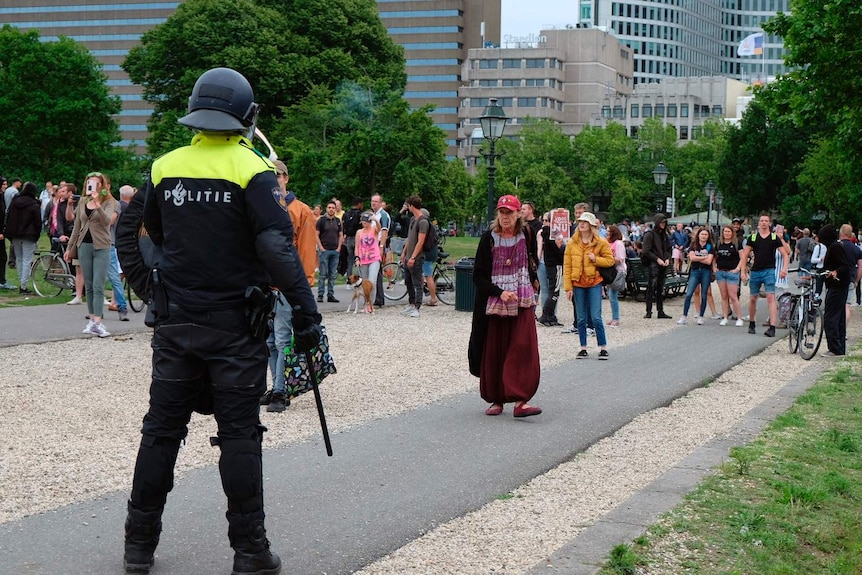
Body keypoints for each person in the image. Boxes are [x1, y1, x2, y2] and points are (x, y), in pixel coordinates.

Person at [123, 67, 321, 575]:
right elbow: (276, 248)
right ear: (246, 116)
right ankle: (250, 551)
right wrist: (307, 311)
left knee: (161, 432)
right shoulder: (252, 169)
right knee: (239, 436)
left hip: (176, 324)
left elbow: (141, 230)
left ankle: (138, 546)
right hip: (236, 326)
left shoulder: (165, 166)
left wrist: (148, 287)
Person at [468, 194, 541, 417]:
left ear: (519, 213)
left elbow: (531, 263)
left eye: (509, 212)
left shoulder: (526, 235)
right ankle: (497, 399)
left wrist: (532, 281)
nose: (505, 217)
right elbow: (478, 276)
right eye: (501, 212)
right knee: (495, 350)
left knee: (523, 347)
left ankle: (520, 401)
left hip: (522, 299)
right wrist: (500, 292)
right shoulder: (487, 238)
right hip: (495, 303)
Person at [260, 159, 319, 414]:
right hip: (265, 283)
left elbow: (305, 250)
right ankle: (276, 385)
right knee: (269, 340)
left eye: (278, 175)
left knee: (283, 337)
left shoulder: (301, 210)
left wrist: (302, 287)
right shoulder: (261, 207)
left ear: (286, 178)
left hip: (287, 283)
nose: (275, 180)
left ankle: (281, 390)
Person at [64, 172, 117, 337]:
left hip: (101, 246)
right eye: (89, 181)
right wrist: (69, 248)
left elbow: (107, 221)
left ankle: (98, 322)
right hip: (84, 246)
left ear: (102, 185)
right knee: (89, 284)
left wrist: (97, 203)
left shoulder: (109, 202)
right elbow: (77, 225)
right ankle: (92, 320)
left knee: (98, 284)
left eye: (95, 182)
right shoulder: (83, 201)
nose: (91, 184)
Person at [564, 211, 613, 359]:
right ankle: (583, 347)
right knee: (581, 318)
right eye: (580, 221)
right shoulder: (572, 242)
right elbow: (567, 266)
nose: (581, 224)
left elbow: (610, 260)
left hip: (594, 282)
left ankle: (603, 347)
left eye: (585, 222)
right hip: (577, 283)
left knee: (596, 317)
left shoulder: (601, 241)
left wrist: (596, 259)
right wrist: (568, 287)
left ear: (591, 225)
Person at [739, 213, 789, 337]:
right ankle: (752, 322)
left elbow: (785, 254)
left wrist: (784, 269)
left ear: (769, 223)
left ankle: (772, 327)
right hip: (756, 271)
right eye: (762, 221)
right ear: (759, 223)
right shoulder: (753, 237)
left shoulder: (773, 238)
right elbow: (745, 255)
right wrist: (743, 272)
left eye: (766, 221)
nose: (764, 223)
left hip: (769, 270)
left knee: (770, 297)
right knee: (752, 298)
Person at [4, 181, 42, 295]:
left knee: (19, 259)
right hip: (28, 235)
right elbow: (37, 222)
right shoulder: (34, 205)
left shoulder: (15, 201)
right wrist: (36, 235)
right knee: (27, 260)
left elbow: (9, 216)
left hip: (15, 234)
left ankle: (22, 282)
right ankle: (23, 285)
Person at [819, 224, 850, 357]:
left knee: (830, 317)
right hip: (839, 286)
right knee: (839, 317)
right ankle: (840, 348)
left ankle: (834, 348)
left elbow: (844, 266)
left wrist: (835, 272)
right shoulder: (835, 246)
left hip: (837, 286)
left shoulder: (835, 247)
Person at [676, 227, 715, 325]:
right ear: (698, 235)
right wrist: (704, 257)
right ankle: (684, 316)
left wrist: (698, 258)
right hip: (695, 271)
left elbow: (709, 261)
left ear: (708, 236)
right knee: (689, 294)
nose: (704, 236)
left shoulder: (710, 246)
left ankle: (700, 316)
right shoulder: (693, 245)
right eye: (702, 234)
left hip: (706, 272)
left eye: (706, 234)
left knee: (704, 294)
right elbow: (692, 258)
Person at [400, 195, 429, 318]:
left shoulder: (423, 222)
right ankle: (411, 304)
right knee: (408, 281)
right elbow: (410, 238)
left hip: (416, 258)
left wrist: (413, 257)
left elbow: (420, 241)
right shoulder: (413, 220)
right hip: (408, 256)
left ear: (411, 206)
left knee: (417, 283)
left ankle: (417, 307)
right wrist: (404, 252)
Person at [640, 213, 673, 319]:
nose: (663, 224)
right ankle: (649, 311)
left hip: (662, 263)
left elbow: (668, 249)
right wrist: (657, 259)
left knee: (660, 288)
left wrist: (667, 258)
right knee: (651, 287)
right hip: (654, 264)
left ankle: (660, 311)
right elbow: (646, 251)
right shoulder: (650, 234)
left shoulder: (664, 235)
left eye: (664, 222)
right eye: (662, 222)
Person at [537, 212, 565, 327]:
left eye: (546, 220)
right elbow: (559, 249)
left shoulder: (544, 232)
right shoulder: (553, 233)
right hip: (555, 264)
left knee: (551, 290)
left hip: (548, 263)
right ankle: (546, 315)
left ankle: (550, 315)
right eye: (544, 220)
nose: (544, 223)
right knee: (554, 291)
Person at [714, 225, 744, 326]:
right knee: (724, 296)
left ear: (732, 233)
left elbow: (742, 257)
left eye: (729, 231)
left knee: (733, 296)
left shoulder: (736, 244)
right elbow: (714, 256)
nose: (727, 233)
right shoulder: (719, 244)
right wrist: (714, 267)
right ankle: (725, 317)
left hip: (732, 272)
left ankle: (739, 317)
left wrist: (738, 269)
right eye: (725, 231)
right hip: (721, 272)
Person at [315, 201, 342, 303]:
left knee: (332, 274)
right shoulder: (321, 221)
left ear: (335, 209)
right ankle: (320, 295)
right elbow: (316, 234)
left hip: (335, 251)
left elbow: (340, 234)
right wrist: (321, 247)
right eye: (329, 207)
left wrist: (339, 247)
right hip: (324, 250)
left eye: (333, 208)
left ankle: (331, 295)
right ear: (326, 209)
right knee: (322, 274)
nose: (331, 209)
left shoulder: (338, 221)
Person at [355, 210, 381, 311]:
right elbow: (357, 246)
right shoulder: (359, 232)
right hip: (363, 259)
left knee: (372, 281)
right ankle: (366, 303)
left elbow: (379, 229)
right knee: (364, 283)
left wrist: (376, 220)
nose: (364, 223)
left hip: (374, 258)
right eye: (363, 221)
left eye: (366, 221)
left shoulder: (374, 229)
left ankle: (371, 304)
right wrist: (357, 258)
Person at [370, 194, 391, 307]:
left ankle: (379, 298)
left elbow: (384, 232)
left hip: (378, 245)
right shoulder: (374, 214)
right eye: (372, 201)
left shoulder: (383, 215)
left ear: (380, 202)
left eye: (376, 202)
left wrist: (381, 246)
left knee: (377, 272)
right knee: (376, 272)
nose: (373, 203)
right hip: (372, 245)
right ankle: (378, 297)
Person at [605, 224, 627, 327]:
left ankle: (616, 318)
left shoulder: (618, 244)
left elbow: (621, 258)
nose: (606, 233)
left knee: (613, 296)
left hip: (617, 271)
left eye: (608, 232)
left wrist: (609, 260)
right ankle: (614, 317)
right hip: (610, 272)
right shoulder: (609, 243)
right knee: (611, 296)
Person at [420, 207, 439, 306]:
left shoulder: (424, 224)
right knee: (427, 275)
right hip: (432, 252)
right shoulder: (430, 224)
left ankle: (433, 299)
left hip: (427, 253)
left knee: (428, 276)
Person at [342, 197, 363, 280]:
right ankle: (358, 278)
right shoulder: (360, 214)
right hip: (358, 238)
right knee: (358, 258)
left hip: (349, 239)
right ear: (359, 204)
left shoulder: (346, 214)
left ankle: (349, 278)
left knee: (349, 259)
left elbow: (344, 226)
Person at [0, 177, 15, 290]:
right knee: (2, 257)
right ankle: (2, 281)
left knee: (3, 257)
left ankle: (2, 280)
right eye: (4, 184)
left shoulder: (2, 196)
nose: (6, 186)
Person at [4, 178, 21, 269]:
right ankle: (12, 261)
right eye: (20, 183)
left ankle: (12, 260)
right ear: (16, 182)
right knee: (14, 240)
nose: (20, 185)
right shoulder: (15, 191)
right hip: (12, 215)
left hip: (6, 214)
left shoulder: (7, 190)